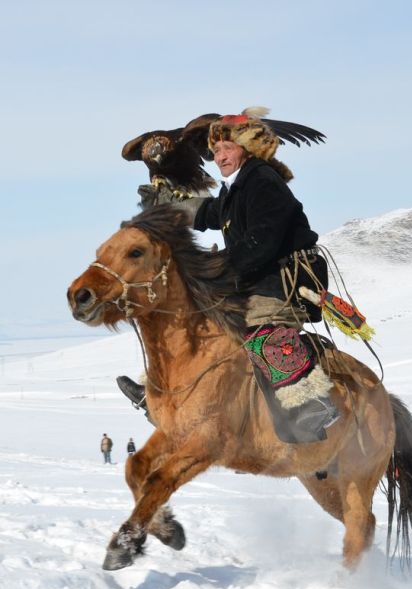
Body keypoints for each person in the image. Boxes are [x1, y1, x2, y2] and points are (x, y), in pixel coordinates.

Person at [118, 110, 339, 443]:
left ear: (248, 149)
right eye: (215, 150)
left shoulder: (263, 181)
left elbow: (262, 242)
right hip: (255, 277)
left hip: (281, 281)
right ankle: (161, 395)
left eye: (227, 148)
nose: (218, 156)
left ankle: (311, 404)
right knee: (195, 323)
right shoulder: (236, 188)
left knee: (262, 329)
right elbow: (208, 213)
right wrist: (168, 206)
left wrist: (218, 267)